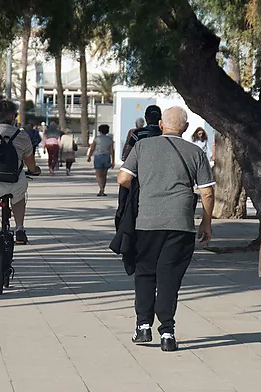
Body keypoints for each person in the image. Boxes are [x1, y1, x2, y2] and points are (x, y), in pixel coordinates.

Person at [117, 106, 215, 352]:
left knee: (145, 273)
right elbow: (207, 191)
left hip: (146, 222)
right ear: (185, 128)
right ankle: (168, 332)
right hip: (180, 224)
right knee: (169, 277)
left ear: (161, 125)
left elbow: (123, 179)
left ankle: (142, 327)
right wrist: (206, 221)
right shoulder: (195, 152)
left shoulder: (142, 147)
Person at [0, 100, 41, 282]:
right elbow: (30, 161)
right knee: (19, 196)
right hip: (14, 180)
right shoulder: (22, 135)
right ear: (13, 117)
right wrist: (35, 170)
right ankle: (19, 228)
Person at [87, 125, 115, 196]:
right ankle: (103, 189)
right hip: (106, 157)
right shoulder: (109, 139)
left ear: (99, 131)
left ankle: (101, 188)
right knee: (104, 175)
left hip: (98, 157)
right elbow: (112, 150)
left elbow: (92, 148)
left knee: (98, 174)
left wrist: (89, 156)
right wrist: (113, 161)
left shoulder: (97, 139)